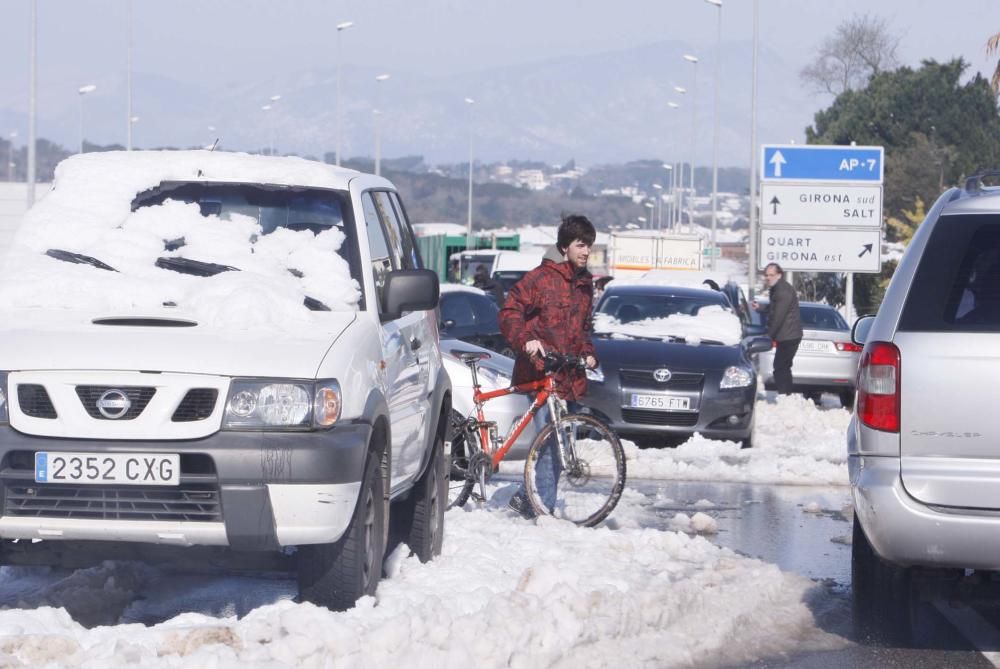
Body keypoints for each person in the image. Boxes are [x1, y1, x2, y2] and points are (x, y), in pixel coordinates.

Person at [499, 214, 599, 519]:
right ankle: (543, 507)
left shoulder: (585, 285)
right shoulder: (540, 279)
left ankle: (528, 498)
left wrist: (589, 353)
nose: (586, 251)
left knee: (558, 441)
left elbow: (582, 331)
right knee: (550, 441)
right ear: (565, 246)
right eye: (581, 245)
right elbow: (509, 312)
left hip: (567, 375)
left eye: (589, 246)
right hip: (539, 371)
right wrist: (526, 340)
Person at [752, 263, 803, 396]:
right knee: (782, 367)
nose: (768, 278)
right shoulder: (777, 288)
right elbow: (774, 308)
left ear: (779, 275)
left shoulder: (782, 290)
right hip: (786, 335)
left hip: (789, 335)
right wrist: (761, 307)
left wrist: (769, 336)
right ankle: (785, 395)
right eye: (766, 275)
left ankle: (785, 396)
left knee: (781, 368)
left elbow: (778, 316)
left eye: (771, 275)